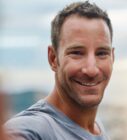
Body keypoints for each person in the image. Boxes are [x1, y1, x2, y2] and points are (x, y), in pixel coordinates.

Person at [5, 1, 114, 140]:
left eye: (101, 53)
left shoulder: (96, 126)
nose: (91, 70)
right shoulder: (30, 130)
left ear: (113, 57)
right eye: (77, 53)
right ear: (53, 58)